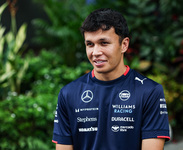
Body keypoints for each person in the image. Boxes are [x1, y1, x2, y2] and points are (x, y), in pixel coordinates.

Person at [52, 8, 170, 150]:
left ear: (124, 45)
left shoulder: (149, 91)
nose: (95, 52)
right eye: (90, 44)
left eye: (104, 43)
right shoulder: (68, 93)